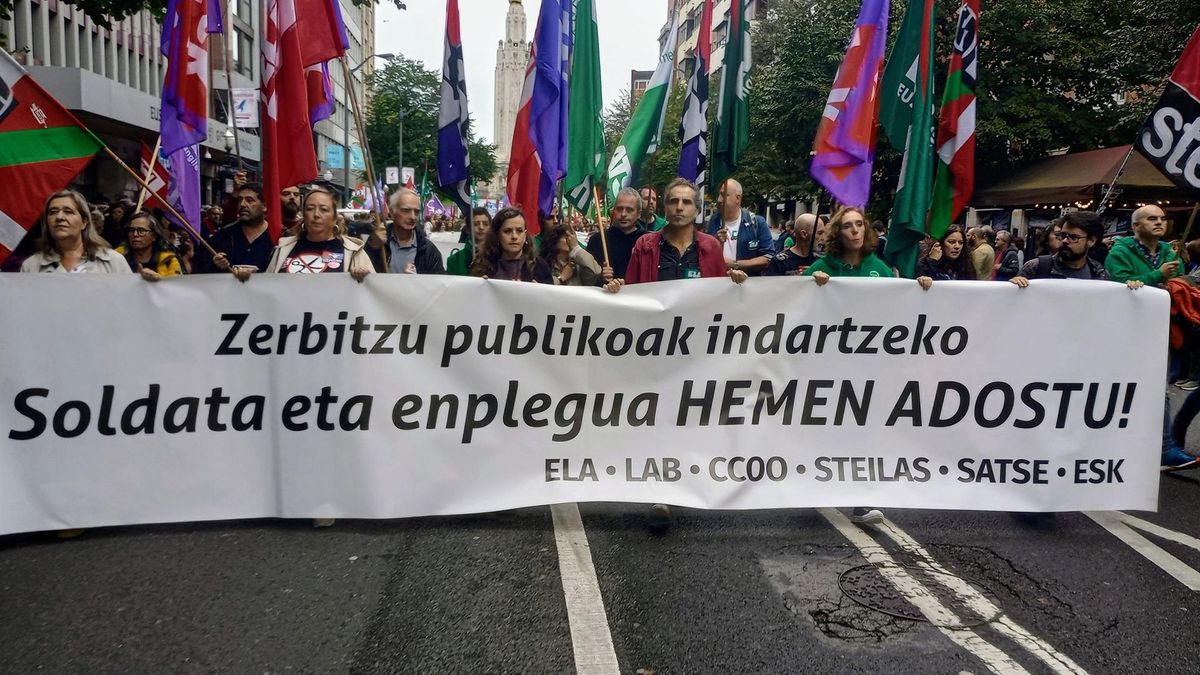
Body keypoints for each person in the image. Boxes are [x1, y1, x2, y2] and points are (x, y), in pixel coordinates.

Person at [605, 178, 746, 530]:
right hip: (656, 354)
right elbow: (634, 297)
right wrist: (618, 288)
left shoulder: (711, 248)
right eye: (674, 201)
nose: (680, 207)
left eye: (687, 202)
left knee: (690, 421)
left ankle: (690, 481)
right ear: (663, 207)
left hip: (696, 353)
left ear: (697, 210)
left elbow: (720, 298)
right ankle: (661, 493)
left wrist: (738, 286)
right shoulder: (645, 246)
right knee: (658, 420)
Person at [806, 206, 894, 525]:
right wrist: (811, 286)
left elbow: (901, 309)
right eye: (847, 226)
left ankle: (859, 500)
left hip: (866, 367)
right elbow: (791, 304)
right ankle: (812, 482)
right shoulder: (821, 267)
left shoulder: (880, 269)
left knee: (861, 429)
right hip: (825, 366)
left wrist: (921, 288)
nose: (855, 231)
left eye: (859, 225)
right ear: (837, 234)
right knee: (824, 428)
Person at [265, 187, 373, 281]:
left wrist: (363, 278)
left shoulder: (354, 252)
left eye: (324, 209)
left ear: (335, 217)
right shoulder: (283, 248)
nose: (316, 214)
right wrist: (249, 277)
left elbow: (371, 292)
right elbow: (267, 287)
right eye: (310, 209)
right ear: (303, 215)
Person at [21, 190, 132, 274]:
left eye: (68, 211)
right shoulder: (31, 266)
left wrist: (146, 284)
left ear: (84, 222)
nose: (59, 217)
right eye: (53, 212)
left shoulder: (113, 261)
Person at [199, 182, 274, 280]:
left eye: (249, 200)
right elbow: (200, 270)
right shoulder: (224, 235)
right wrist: (215, 265)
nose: (242, 204)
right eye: (240, 200)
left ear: (264, 206)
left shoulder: (278, 237)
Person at [367, 188, 445, 274]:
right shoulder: (377, 241)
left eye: (416, 212)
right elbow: (363, 271)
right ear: (392, 213)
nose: (412, 217)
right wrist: (373, 247)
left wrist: (416, 281)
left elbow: (439, 283)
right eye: (406, 210)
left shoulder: (428, 250)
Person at [707, 178, 775, 275]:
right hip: (716, 285)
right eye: (719, 195)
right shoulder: (709, 222)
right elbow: (700, 255)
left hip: (746, 287)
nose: (719, 199)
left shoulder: (757, 223)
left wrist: (735, 264)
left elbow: (769, 257)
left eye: (724, 195)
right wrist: (714, 243)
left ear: (738, 198)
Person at [1105, 204, 1182, 287]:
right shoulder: (1120, 252)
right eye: (1152, 219)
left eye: (1163, 219)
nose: (1159, 222)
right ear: (1136, 225)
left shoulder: (1171, 253)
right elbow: (1119, 284)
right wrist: (1159, 274)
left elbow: (1181, 281)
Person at [471, 207, 553, 282]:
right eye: (507, 231)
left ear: (525, 235)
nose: (514, 236)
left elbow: (550, 296)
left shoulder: (540, 267)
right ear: (497, 235)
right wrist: (480, 287)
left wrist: (539, 293)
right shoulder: (482, 266)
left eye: (519, 231)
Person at [586, 188, 650, 282]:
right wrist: (600, 276)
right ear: (613, 211)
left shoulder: (648, 241)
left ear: (639, 214)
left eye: (629, 210)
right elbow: (585, 277)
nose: (623, 214)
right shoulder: (598, 240)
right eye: (619, 209)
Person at [116, 211, 183, 281]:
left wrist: (158, 280)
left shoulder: (168, 260)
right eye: (131, 230)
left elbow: (175, 287)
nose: (135, 234)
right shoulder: (118, 256)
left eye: (141, 231)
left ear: (154, 236)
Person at [447, 207, 492, 276]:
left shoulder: (499, 256)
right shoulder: (455, 260)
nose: (481, 227)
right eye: (476, 224)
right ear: (468, 229)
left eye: (485, 224)